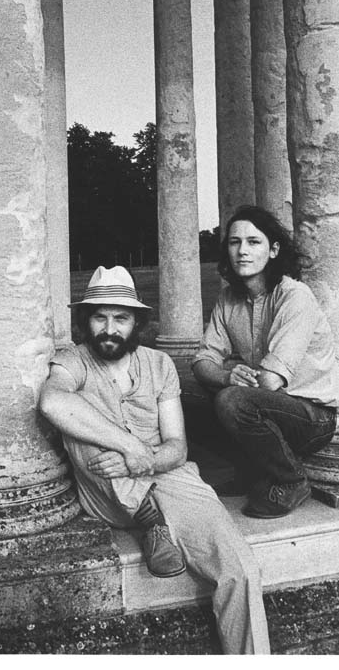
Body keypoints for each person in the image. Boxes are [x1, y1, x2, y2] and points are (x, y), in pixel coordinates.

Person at [40, 265, 270, 654]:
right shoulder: (72, 361)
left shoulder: (159, 364)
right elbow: (52, 400)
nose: (109, 328)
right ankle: (147, 519)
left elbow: (177, 446)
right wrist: (127, 447)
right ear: (85, 321)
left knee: (241, 570)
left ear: (137, 323)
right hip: (106, 486)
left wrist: (140, 459)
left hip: (169, 475)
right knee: (83, 427)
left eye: (121, 318)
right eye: (99, 316)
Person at [192, 205, 339, 519]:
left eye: (253, 242)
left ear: (273, 250)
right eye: (234, 242)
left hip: (311, 416)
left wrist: (229, 380)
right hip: (267, 407)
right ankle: (252, 471)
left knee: (233, 402)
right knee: (183, 399)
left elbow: (270, 381)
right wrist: (227, 376)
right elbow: (202, 361)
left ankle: (291, 480)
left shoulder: (294, 295)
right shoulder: (228, 298)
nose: (242, 251)